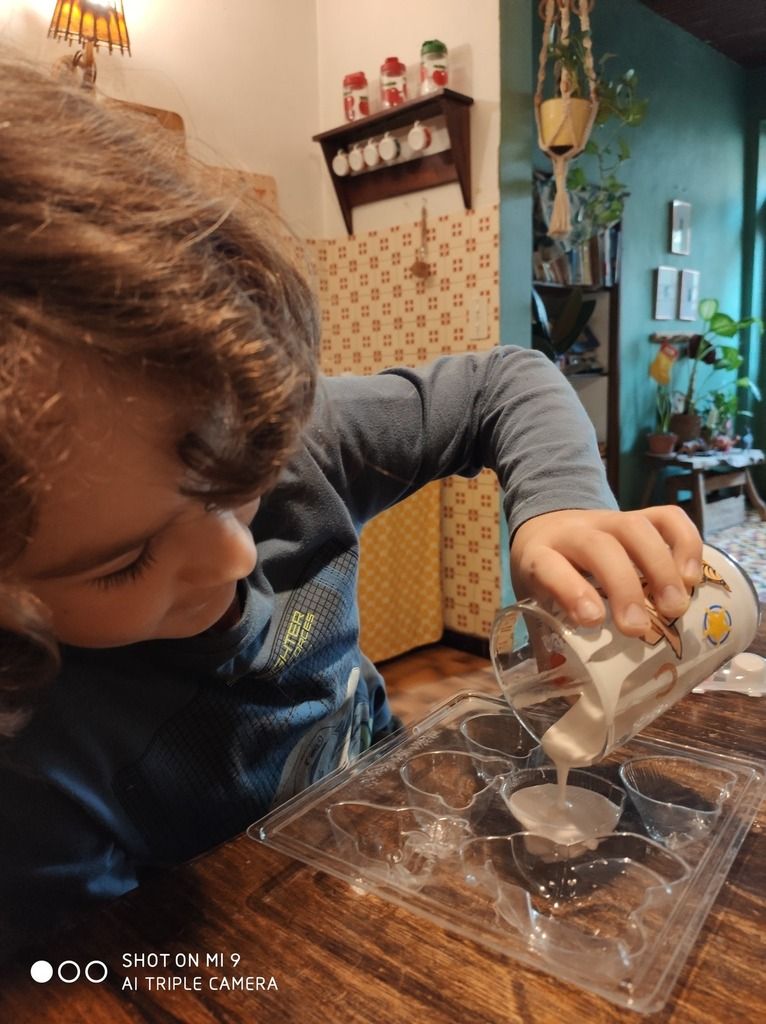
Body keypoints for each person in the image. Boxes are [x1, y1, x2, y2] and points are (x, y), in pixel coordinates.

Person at [0, 54, 702, 954]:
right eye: (126, 560)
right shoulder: (33, 780)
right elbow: (96, 965)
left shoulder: (292, 437)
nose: (236, 557)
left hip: (387, 821)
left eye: (241, 473)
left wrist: (559, 508)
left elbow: (505, 382)